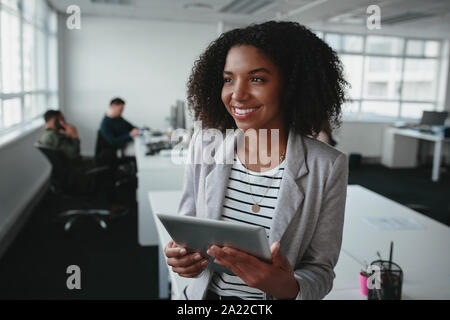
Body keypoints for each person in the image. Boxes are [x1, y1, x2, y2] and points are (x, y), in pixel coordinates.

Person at [164, 21, 349, 300]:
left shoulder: (327, 165)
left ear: (291, 86)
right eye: (228, 79)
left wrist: (286, 286)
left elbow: (321, 270)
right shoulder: (205, 145)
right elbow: (187, 232)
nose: (237, 94)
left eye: (257, 79)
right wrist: (181, 256)